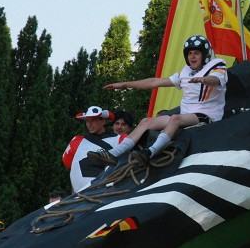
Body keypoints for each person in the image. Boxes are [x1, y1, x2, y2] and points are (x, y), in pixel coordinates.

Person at [89, 35, 227, 168]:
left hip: (206, 115)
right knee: (146, 122)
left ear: (205, 55)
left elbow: (216, 80)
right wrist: (125, 84)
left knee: (175, 118)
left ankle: (149, 152)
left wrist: (204, 80)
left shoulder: (217, 67)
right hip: (186, 116)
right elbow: (155, 82)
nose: (192, 57)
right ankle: (113, 154)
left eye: (196, 53)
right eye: (190, 53)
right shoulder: (184, 73)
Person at [61, 105, 120, 191]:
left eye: (93, 120)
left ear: (103, 121)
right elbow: (67, 163)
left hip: (109, 191)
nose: (89, 124)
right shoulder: (76, 141)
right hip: (81, 194)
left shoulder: (119, 139)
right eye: (87, 121)